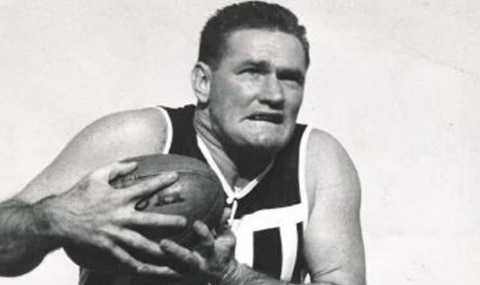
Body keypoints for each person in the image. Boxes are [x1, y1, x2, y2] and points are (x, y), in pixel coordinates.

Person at [0, 1, 365, 285]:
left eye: (290, 79)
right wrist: (52, 219)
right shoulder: (141, 137)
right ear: (203, 82)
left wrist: (231, 276)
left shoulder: (315, 161)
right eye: (252, 72)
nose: (274, 94)